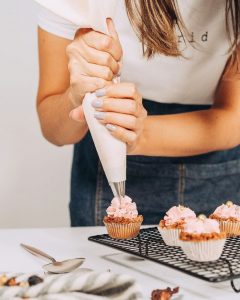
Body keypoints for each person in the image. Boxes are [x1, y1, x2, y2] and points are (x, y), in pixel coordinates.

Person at [36, 0, 240, 226]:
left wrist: (139, 134)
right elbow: (53, 129)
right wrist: (76, 96)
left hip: (219, 167)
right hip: (103, 176)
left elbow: (233, 118)